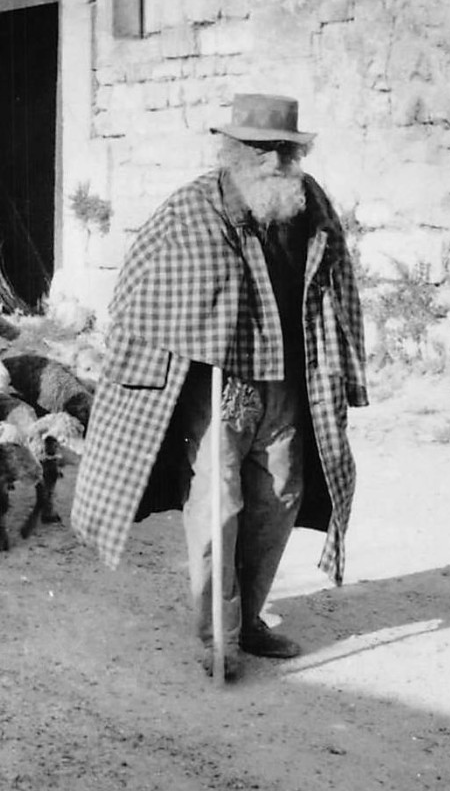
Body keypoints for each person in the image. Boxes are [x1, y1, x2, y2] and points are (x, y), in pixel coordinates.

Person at [69, 93, 368, 680]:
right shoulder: (191, 209)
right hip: (220, 381)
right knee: (218, 503)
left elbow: (337, 284)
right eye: (260, 149)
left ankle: (250, 618)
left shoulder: (311, 205)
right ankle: (218, 635)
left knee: (279, 496)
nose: (274, 160)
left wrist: (340, 363)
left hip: (289, 380)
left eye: (285, 149)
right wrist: (205, 318)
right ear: (233, 150)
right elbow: (144, 292)